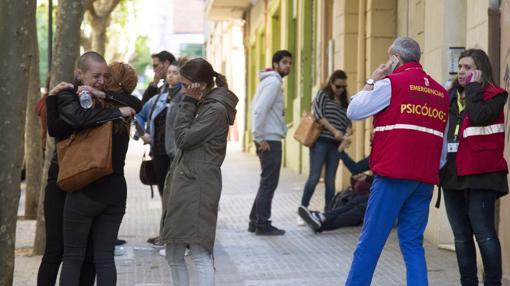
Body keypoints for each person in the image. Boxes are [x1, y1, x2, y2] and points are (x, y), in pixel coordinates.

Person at [344, 37, 449, 286]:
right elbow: (441, 148)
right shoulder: (440, 93)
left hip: (393, 176)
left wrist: (372, 80)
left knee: (370, 243)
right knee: (413, 245)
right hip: (424, 179)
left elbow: (354, 110)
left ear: (395, 58)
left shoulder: (391, 84)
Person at [37, 54, 140, 286]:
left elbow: (135, 104)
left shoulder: (108, 101)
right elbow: (65, 125)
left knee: (87, 256)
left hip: (88, 184)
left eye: (105, 77)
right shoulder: (69, 95)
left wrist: (104, 97)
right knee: (59, 250)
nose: (101, 81)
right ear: (79, 74)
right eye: (97, 76)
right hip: (66, 178)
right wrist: (52, 97)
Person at [159, 58, 238, 286]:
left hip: (198, 186)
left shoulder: (214, 109)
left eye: (185, 85)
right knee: (174, 254)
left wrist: (188, 103)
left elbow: (183, 138)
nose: (181, 90)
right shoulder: (203, 104)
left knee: (199, 253)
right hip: (185, 184)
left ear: (200, 85)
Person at [439, 49, 507, 286]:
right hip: (452, 173)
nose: (462, 72)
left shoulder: (496, 96)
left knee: (484, 233)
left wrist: (474, 88)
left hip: (482, 173)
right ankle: (467, 282)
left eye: (468, 68)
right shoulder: (449, 96)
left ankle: (493, 283)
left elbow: (478, 116)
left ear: (481, 70)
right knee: (461, 236)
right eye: (460, 67)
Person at [136, 57, 187, 247]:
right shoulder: (159, 98)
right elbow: (138, 114)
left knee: (177, 195)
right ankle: (165, 234)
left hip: (178, 155)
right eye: (170, 73)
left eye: (175, 73)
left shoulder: (188, 98)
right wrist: (143, 134)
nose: (171, 76)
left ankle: (178, 235)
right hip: (158, 153)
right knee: (164, 194)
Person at [248, 50, 292, 235]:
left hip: (270, 137)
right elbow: (259, 110)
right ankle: (262, 224)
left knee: (266, 182)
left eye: (289, 63)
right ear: (275, 65)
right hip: (269, 140)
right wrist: (259, 138)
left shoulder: (271, 82)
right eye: (284, 62)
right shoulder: (273, 82)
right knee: (269, 183)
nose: (288, 66)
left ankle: (254, 221)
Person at [299, 70, 351, 214]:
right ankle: (303, 208)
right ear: (331, 83)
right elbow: (318, 115)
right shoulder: (323, 95)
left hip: (336, 145)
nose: (341, 90)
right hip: (320, 142)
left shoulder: (346, 100)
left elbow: (349, 121)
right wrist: (334, 131)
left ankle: (328, 212)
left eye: (343, 87)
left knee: (330, 180)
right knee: (314, 177)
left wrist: (347, 132)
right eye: (338, 86)